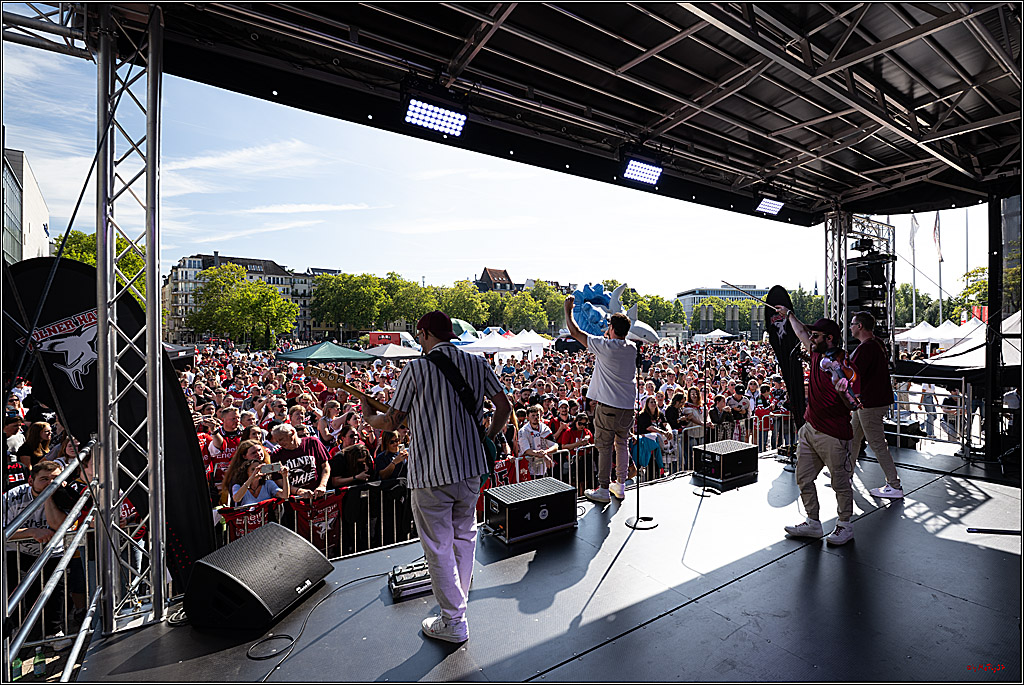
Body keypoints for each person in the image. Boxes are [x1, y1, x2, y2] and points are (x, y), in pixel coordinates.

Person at [362, 310, 510, 644]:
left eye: (419, 335)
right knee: (465, 537)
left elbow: (392, 421)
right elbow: (504, 407)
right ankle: (458, 601)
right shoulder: (478, 363)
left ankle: (454, 621)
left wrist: (369, 417)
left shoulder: (416, 369)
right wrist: (487, 438)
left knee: (438, 547)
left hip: (431, 473)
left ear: (425, 334)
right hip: (471, 467)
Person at [775, 307, 858, 546]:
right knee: (803, 477)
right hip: (810, 429)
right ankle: (813, 522)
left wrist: (843, 391)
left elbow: (853, 404)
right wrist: (789, 314)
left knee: (840, 483)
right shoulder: (815, 353)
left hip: (834, 434)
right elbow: (801, 332)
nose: (810, 338)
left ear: (829, 338)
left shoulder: (844, 364)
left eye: (816, 335)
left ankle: (845, 525)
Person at [563, 295, 638, 504]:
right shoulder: (632, 348)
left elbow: (575, 332)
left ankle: (604, 489)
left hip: (609, 408)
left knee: (604, 447)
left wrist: (568, 310)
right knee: (621, 444)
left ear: (612, 328)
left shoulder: (605, 346)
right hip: (627, 407)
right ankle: (620, 486)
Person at [848, 311, 904, 499]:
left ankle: (894, 485)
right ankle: (845, 474)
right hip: (869, 402)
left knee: (877, 444)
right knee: (853, 438)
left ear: (860, 326)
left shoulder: (867, 348)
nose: (850, 327)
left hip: (869, 404)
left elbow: (853, 374)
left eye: (852, 324)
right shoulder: (877, 343)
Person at [517, 404, 558, 477]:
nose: (536, 417)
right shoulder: (523, 431)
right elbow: (526, 450)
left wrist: (545, 452)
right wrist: (541, 454)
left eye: (537, 415)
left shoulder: (544, 428)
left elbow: (555, 446)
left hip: (542, 467)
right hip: (528, 467)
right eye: (533, 415)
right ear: (528, 417)